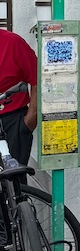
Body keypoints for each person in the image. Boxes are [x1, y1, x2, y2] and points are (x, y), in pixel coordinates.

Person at [0, 26, 37, 164]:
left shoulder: (13, 42)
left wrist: (31, 118)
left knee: (13, 179)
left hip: (12, 121)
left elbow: (38, 79)